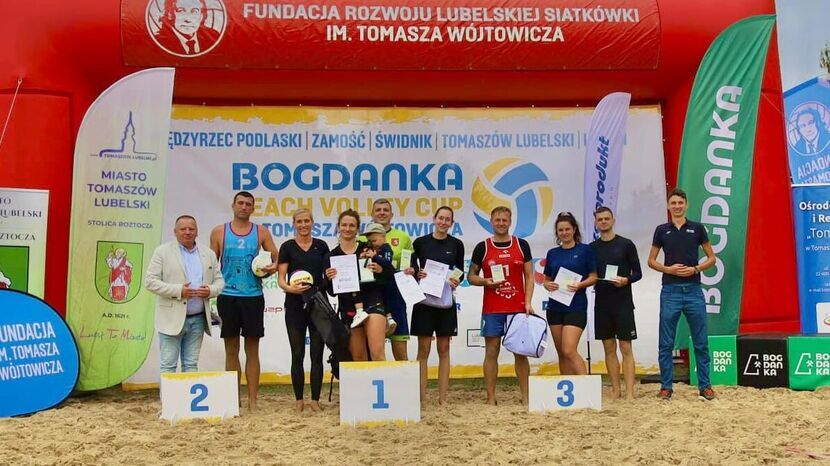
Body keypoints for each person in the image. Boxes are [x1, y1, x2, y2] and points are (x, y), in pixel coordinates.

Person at [210, 191, 279, 411]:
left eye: (248, 204)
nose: (244, 207)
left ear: (252, 208)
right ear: (233, 205)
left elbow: (276, 259)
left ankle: (252, 401)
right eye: (240, 203)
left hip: (253, 297)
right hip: (227, 296)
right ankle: (233, 399)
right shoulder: (219, 231)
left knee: (252, 350)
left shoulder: (261, 232)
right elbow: (211, 264)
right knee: (231, 350)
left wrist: (268, 271)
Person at [648, 188, 717, 401]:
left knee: (700, 341)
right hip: (670, 290)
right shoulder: (661, 230)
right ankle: (666, 386)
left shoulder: (697, 228)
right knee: (666, 342)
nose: (677, 206)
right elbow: (651, 260)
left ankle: (705, 386)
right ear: (668, 206)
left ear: (686, 204)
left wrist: (695, 269)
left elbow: (711, 258)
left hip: (694, 291)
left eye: (680, 202)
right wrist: (668, 269)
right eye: (673, 203)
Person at [468, 206, 534, 405]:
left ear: (510, 221)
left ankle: (526, 396)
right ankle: (491, 397)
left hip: (517, 307)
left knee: (520, 353)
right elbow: (471, 276)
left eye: (504, 220)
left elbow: (530, 276)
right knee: (491, 351)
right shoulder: (483, 247)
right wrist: (486, 281)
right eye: (497, 220)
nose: (501, 223)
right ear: (491, 221)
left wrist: (528, 302)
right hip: (493, 308)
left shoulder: (521, 245)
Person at [146, 215, 224, 373]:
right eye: (183, 229)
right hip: (171, 320)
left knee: (191, 365)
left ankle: (186, 399)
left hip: (198, 319)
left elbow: (219, 282)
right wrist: (178, 290)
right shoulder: (162, 252)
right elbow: (150, 282)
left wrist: (210, 290)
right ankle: (169, 399)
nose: (187, 232)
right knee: (168, 365)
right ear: (175, 232)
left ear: (197, 232)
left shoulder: (208, 254)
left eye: (191, 229)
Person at [411, 206, 465, 404]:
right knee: (423, 350)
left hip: (445, 303)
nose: (443, 222)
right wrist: (417, 273)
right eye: (440, 218)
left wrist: (456, 279)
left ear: (451, 223)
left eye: (447, 219)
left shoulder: (457, 244)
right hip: (424, 302)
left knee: (444, 349)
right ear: (434, 219)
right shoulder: (420, 243)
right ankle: (421, 398)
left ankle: (443, 398)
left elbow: (460, 270)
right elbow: (411, 268)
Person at [277, 209, 330, 412]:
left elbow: (327, 275)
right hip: (294, 306)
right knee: (297, 353)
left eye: (307, 220)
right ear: (294, 224)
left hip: (319, 305)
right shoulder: (287, 247)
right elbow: (281, 278)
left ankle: (315, 400)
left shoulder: (321, 246)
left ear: (312, 223)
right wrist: (291, 289)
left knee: (317, 354)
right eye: (299, 221)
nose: (303, 224)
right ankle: (299, 400)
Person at [590, 207, 642, 400]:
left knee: (626, 347)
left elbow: (638, 273)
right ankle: (615, 390)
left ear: (613, 220)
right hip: (602, 303)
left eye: (606, 218)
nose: (603, 222)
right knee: (608, 347)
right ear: (595, 222)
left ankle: (629, 392)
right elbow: (589, 275)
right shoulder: (592, 248)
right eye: (600, 219)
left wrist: (625, 280)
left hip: (623, 303)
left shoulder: (626, 245)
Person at [542, 212, 597, 376]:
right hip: (555, 307)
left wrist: (581, 285)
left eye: (567, 229)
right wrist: (547, 285)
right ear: (557, 233)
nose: (564, 233)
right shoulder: (552, 253)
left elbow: (593, 277)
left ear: (574, 229)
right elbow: (546, 279)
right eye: (560, 230)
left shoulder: (585, 250)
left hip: (576, 307)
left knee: (569, 350)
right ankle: (567, 388)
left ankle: (586, 386)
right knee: (561, 353)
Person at [368, 198, 413, 361]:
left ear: (392, 214)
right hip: (373, 298)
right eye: (378, 210)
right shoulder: (362, 239)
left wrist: (413, 270)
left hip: (396, 297)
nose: (382, 213)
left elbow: (412, 263)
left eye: (385, 210)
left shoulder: (403, 237)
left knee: (400, 351)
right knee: (374, 351)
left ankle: (404, 385)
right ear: (372, 214)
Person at [324, 210, 371, 361]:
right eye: (344, 225)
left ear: (358, 228)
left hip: (370, 306)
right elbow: (331, 292)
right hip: (349, 311)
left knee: (374, 355)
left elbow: (379, 278)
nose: (347, 228)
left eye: (352, 225)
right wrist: (329, 278)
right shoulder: (331, 256)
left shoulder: (366, 248)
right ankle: (362, 386)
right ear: (338, 227)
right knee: (357, 357)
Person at [154, 0, 220, 56]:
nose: (188, 19)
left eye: (194, 11)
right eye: (181, 11)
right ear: (170, 14)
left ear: (202, 16)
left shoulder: (213, 37)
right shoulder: (158, 42)